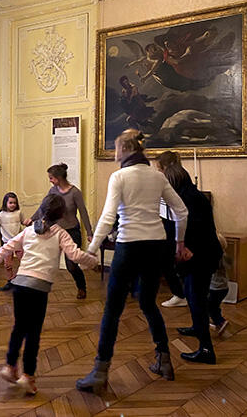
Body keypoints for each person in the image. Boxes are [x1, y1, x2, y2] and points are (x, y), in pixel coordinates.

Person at [76, 129, 188, 393]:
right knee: (149, 304)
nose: (114, 154)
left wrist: (91, 250)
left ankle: (100, 372)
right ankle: (164, 359)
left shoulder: (119, 177)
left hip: (129, 246)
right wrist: (179, 242)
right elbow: (181, 211)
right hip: (156, 247)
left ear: (125, 149)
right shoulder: (157, 176)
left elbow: (107, 217)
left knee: (112, 311)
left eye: (115, 149)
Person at [0, 194, 98, 395]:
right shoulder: (61, 233)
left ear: (41, 210)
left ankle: (10, 366)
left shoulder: (29, 231)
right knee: (33, 332)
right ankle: (28, 376)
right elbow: (75, 255)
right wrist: (94, 263)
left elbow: (6, 248)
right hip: (39, 288)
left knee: (19, 327)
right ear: (61, 215)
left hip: (20, 283)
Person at [157, 151, 222, 364]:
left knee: (196, 299)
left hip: (201, 255)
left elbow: (197, 228)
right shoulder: (189, 194)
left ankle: (206, 350)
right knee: (194, 296)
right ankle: (197, 327)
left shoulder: (189, 198)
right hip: (198, 254)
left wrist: (188, 248)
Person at [26, 163, 93, 299]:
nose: (49, 180)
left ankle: (81, 287)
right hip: (55, 231)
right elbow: (43, 208)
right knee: (45, 260)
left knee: (71, 265)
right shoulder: (53, 191)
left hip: (72, 231)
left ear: (58, 178)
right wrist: (31, 219)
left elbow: (84, 213)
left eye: (51, 178)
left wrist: (90, 233)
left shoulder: (75, 192)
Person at [208, 234, 230, 335]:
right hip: (223, 287)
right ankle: (217, 320)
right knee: (214, 305)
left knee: (210, 306)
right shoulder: (224, 256)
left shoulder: (215, 258)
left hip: (215, 288)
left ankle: (220, 322)